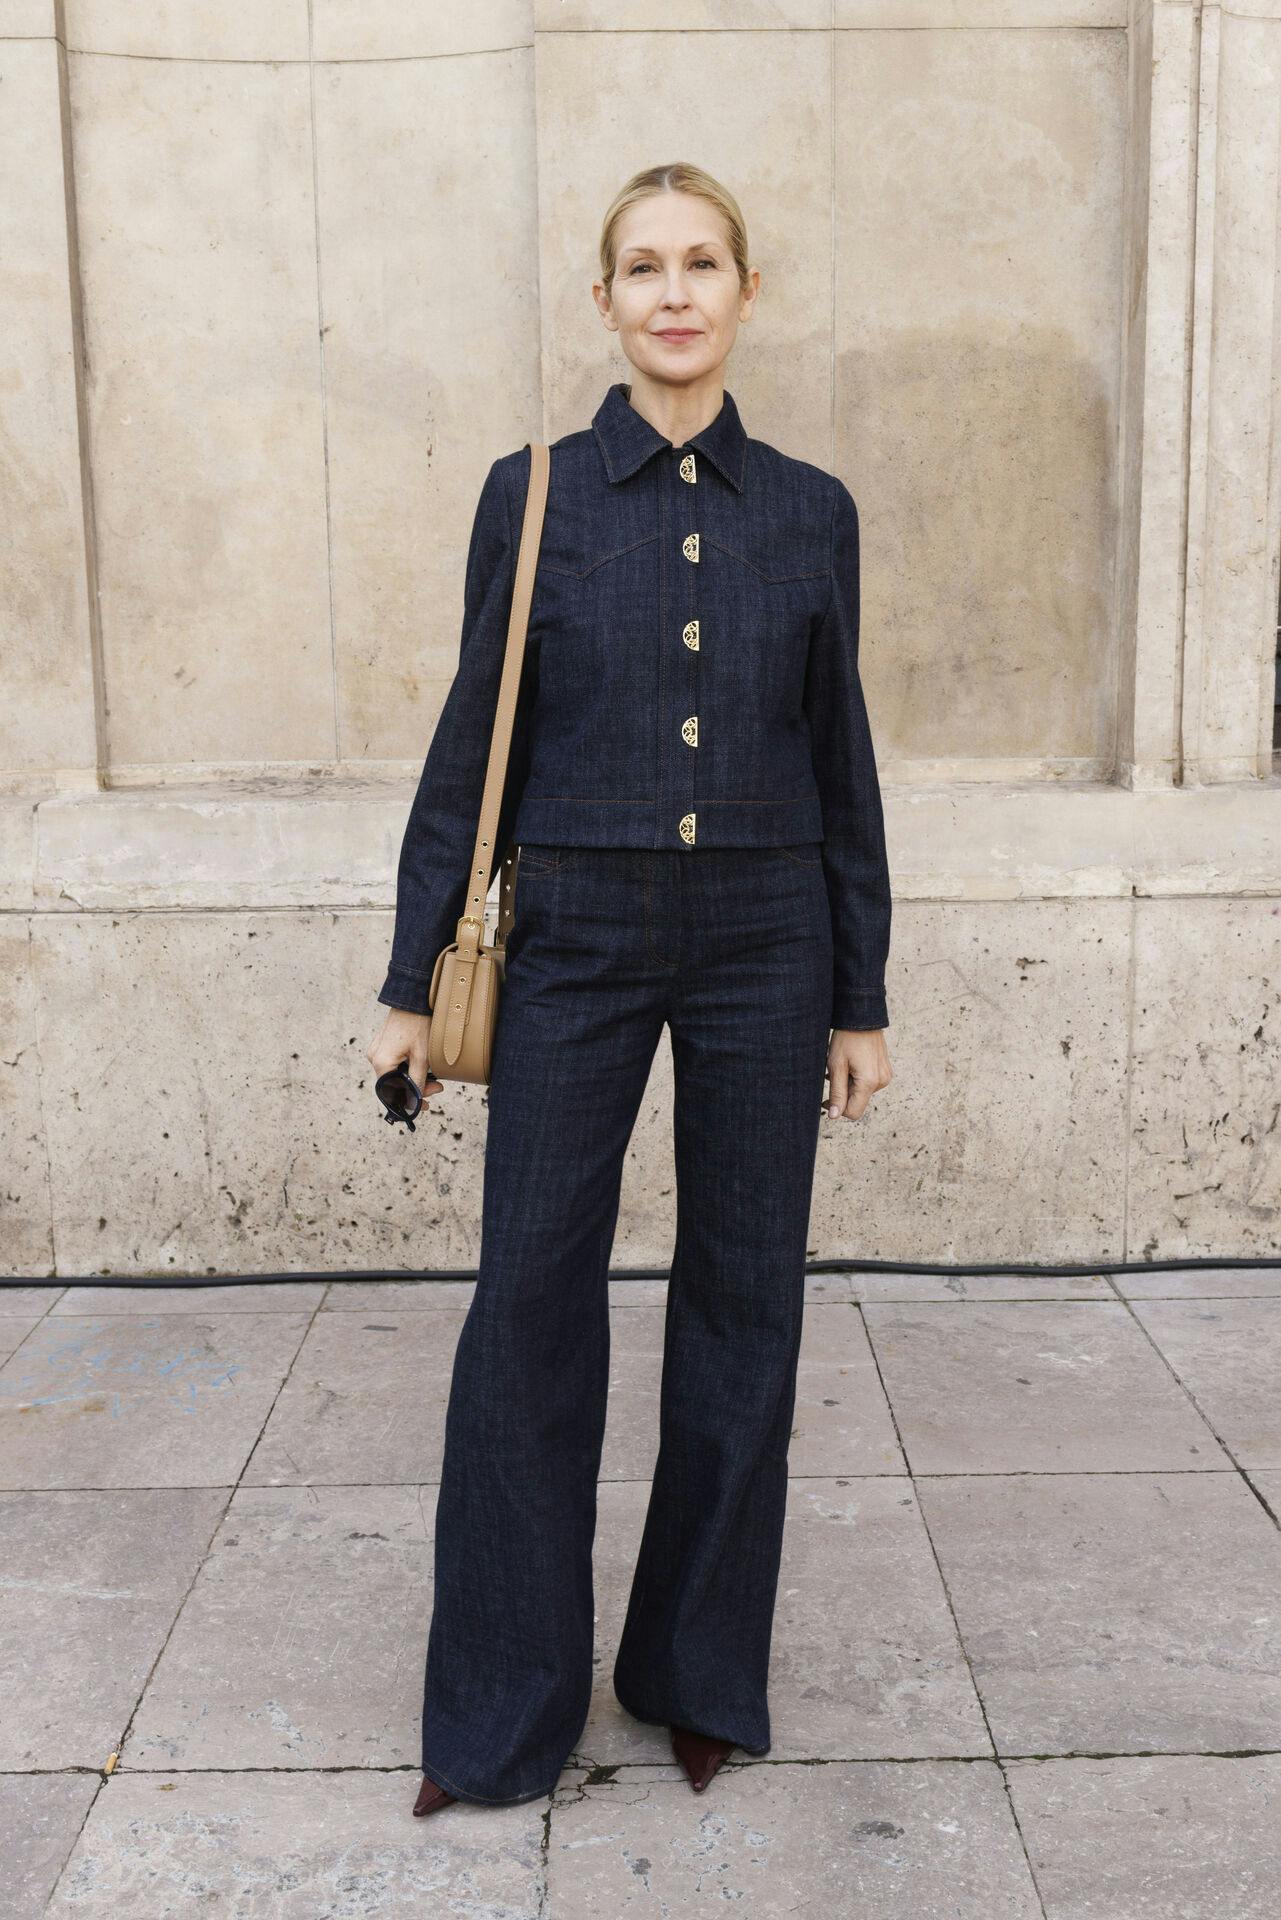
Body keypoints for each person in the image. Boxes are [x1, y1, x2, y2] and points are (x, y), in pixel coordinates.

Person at [366, 161, 893, 1815]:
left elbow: (844, 762)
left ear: (748, 292)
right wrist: (407, 981)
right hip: (571, 945)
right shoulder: (528, 495)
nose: (674, 293)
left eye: (704, 264)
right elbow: (475, 748)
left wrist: (856, 994)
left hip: (763, 941)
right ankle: (502, 1715)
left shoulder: (809, 509)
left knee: (745, 1307)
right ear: (603, 302)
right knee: (527, 1306)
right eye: (643, 268)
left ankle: (693, 1676)